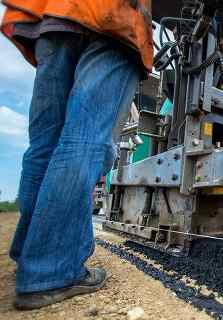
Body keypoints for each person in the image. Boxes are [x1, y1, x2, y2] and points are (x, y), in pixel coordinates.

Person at [1, 0, 153, 310]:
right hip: (111, 19)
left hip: (52, 18)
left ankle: (31, 253)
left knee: (44, 145)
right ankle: (53, 270)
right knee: (85, 143)